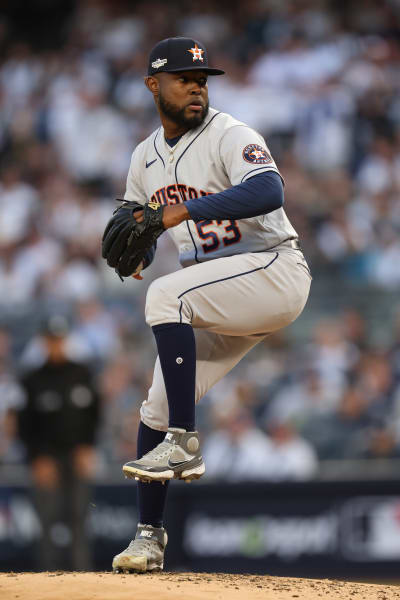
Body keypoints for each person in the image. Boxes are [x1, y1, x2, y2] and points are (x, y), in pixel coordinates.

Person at [110, 37, 312, 573]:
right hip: (220, 294)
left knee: (166, 294)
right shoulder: (144, 157)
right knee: (153, 404)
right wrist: (141, 245)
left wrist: (184, 212)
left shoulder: (230, 133)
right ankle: (148, 537)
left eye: (202, 79)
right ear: (154, 85)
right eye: (184, 78)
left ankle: (185, 440)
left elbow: (269, 191)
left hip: (273, 269)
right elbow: (135, 220)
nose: (197, 87)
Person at [17, 315, 101, 570]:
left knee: (79, 520)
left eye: (60, 339)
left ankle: (82, 582)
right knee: (47, 523)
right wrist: (36, 459)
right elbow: (24, 425)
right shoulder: (31, 380)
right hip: (46, 460)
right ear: (43, 342)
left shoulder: (82, 373)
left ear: (66, 340)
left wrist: (88, 448)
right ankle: (47, 584)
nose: (56, 345)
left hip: (77, 457)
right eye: (51, 340)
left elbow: (95, 415)